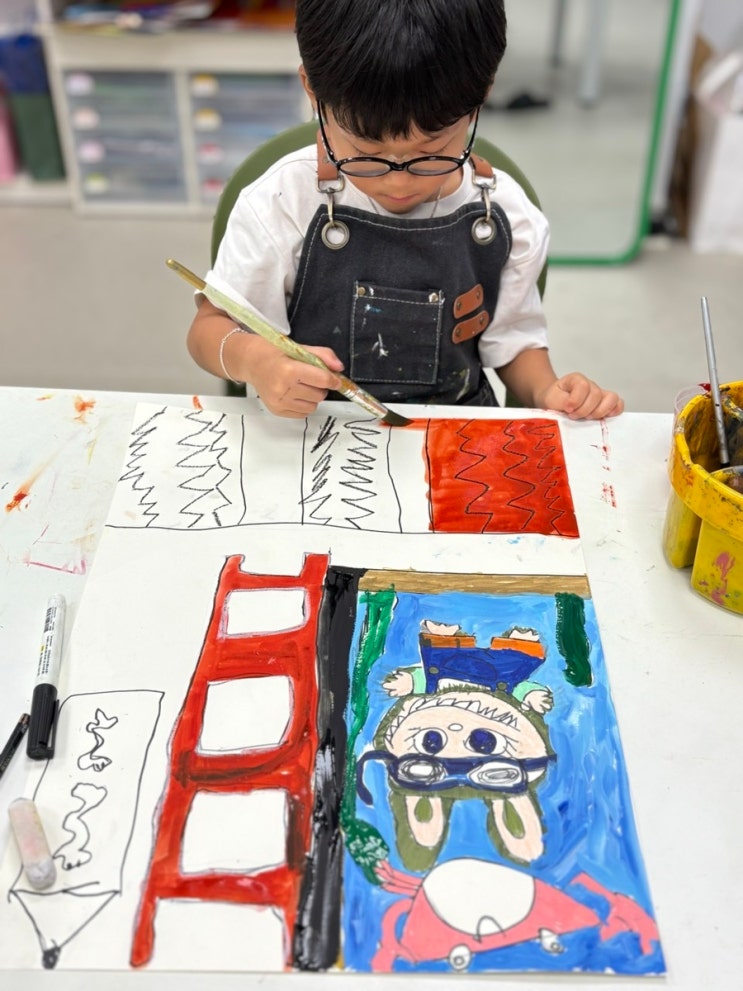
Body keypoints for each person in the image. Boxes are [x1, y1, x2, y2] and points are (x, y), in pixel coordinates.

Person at [187, 0, 624, 421]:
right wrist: (257, 361)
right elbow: (209, 329)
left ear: (481, 96)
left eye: (431, 153)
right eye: (366, 153)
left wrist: (548, 391)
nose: (398, 182)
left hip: (452, 436)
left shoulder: (504, 214)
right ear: (313, 91)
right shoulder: (283, 202)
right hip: (313, 433)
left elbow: (514, 346)